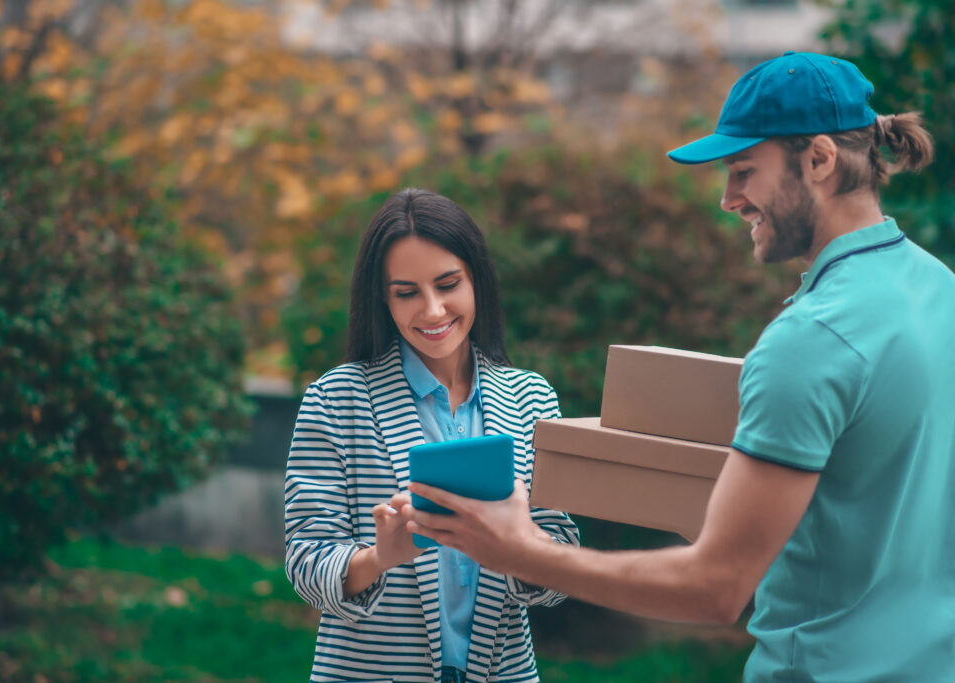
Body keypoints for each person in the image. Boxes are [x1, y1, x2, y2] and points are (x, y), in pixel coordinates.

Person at [405, 52, 955, 681]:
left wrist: (522, 552)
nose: (729, 199)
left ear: (820, 160)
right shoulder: (938, 290)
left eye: (744, 171)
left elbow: (716, 587)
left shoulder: (811, 339)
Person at [284, 188, 580, 683]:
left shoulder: (531, 397)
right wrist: (380, 557)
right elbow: (305, 559)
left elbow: (562, 564)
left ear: (477, 281)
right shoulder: (336, 399)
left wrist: (520, 542)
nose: (434, 310)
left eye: (448, 284)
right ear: (383, 298)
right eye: (407, 292)